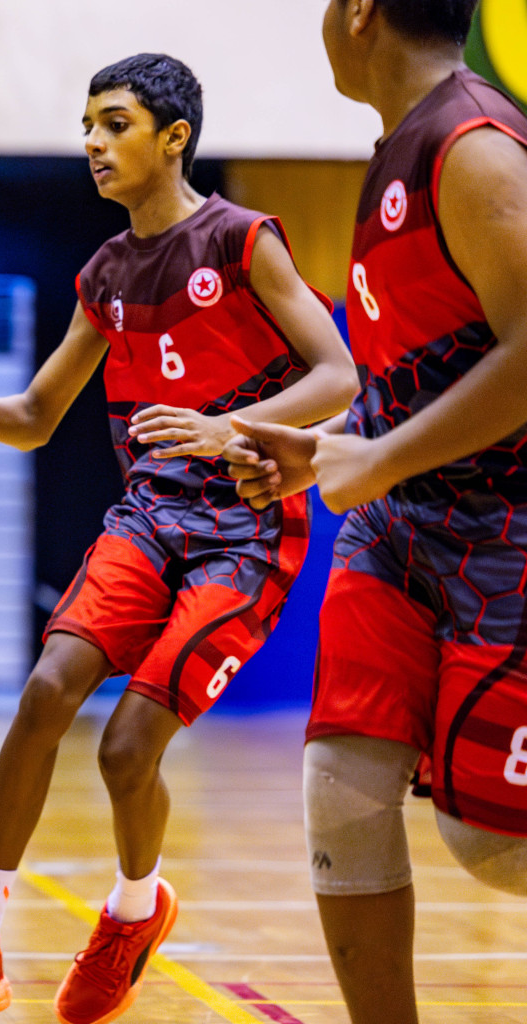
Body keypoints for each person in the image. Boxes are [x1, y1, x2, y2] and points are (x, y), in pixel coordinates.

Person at [0, 54, 360, 1024]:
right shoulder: (105, 274)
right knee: (45, 691)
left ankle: (131, 910)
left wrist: (230, 427)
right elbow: (35, 414)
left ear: (173, 138)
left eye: (113, 124)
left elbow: (337, 375)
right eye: (86, 125)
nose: (93, 144)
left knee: (126, 748)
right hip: (149, 522)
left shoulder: (242, 242)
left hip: (243, 538)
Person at [223, 3, 527, 1022]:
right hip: (400, 533)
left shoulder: (472, 145)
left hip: (507, 535)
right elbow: (426, 375)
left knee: (494, 843)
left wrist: (382, 457)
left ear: (359, 12)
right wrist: (325, 453)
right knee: (342, 787)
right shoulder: (398, 146)